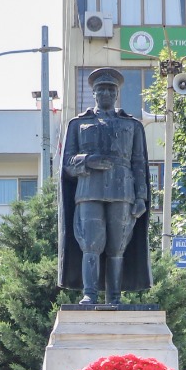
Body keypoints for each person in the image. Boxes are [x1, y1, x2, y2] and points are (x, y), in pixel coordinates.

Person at [57, 67, 153, 305]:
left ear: (117, 94)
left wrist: (141, 197)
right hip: (89, 191)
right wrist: (88, 161)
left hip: (123, 192)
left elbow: (139, 162)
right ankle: (89, 294)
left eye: (111, 90)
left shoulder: (132, 126)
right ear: (94, 94)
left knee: (118, 245)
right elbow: (67, 163)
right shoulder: (78, 124)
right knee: (90, 243)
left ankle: (114, 297)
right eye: (102, 90)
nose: (107, 94)